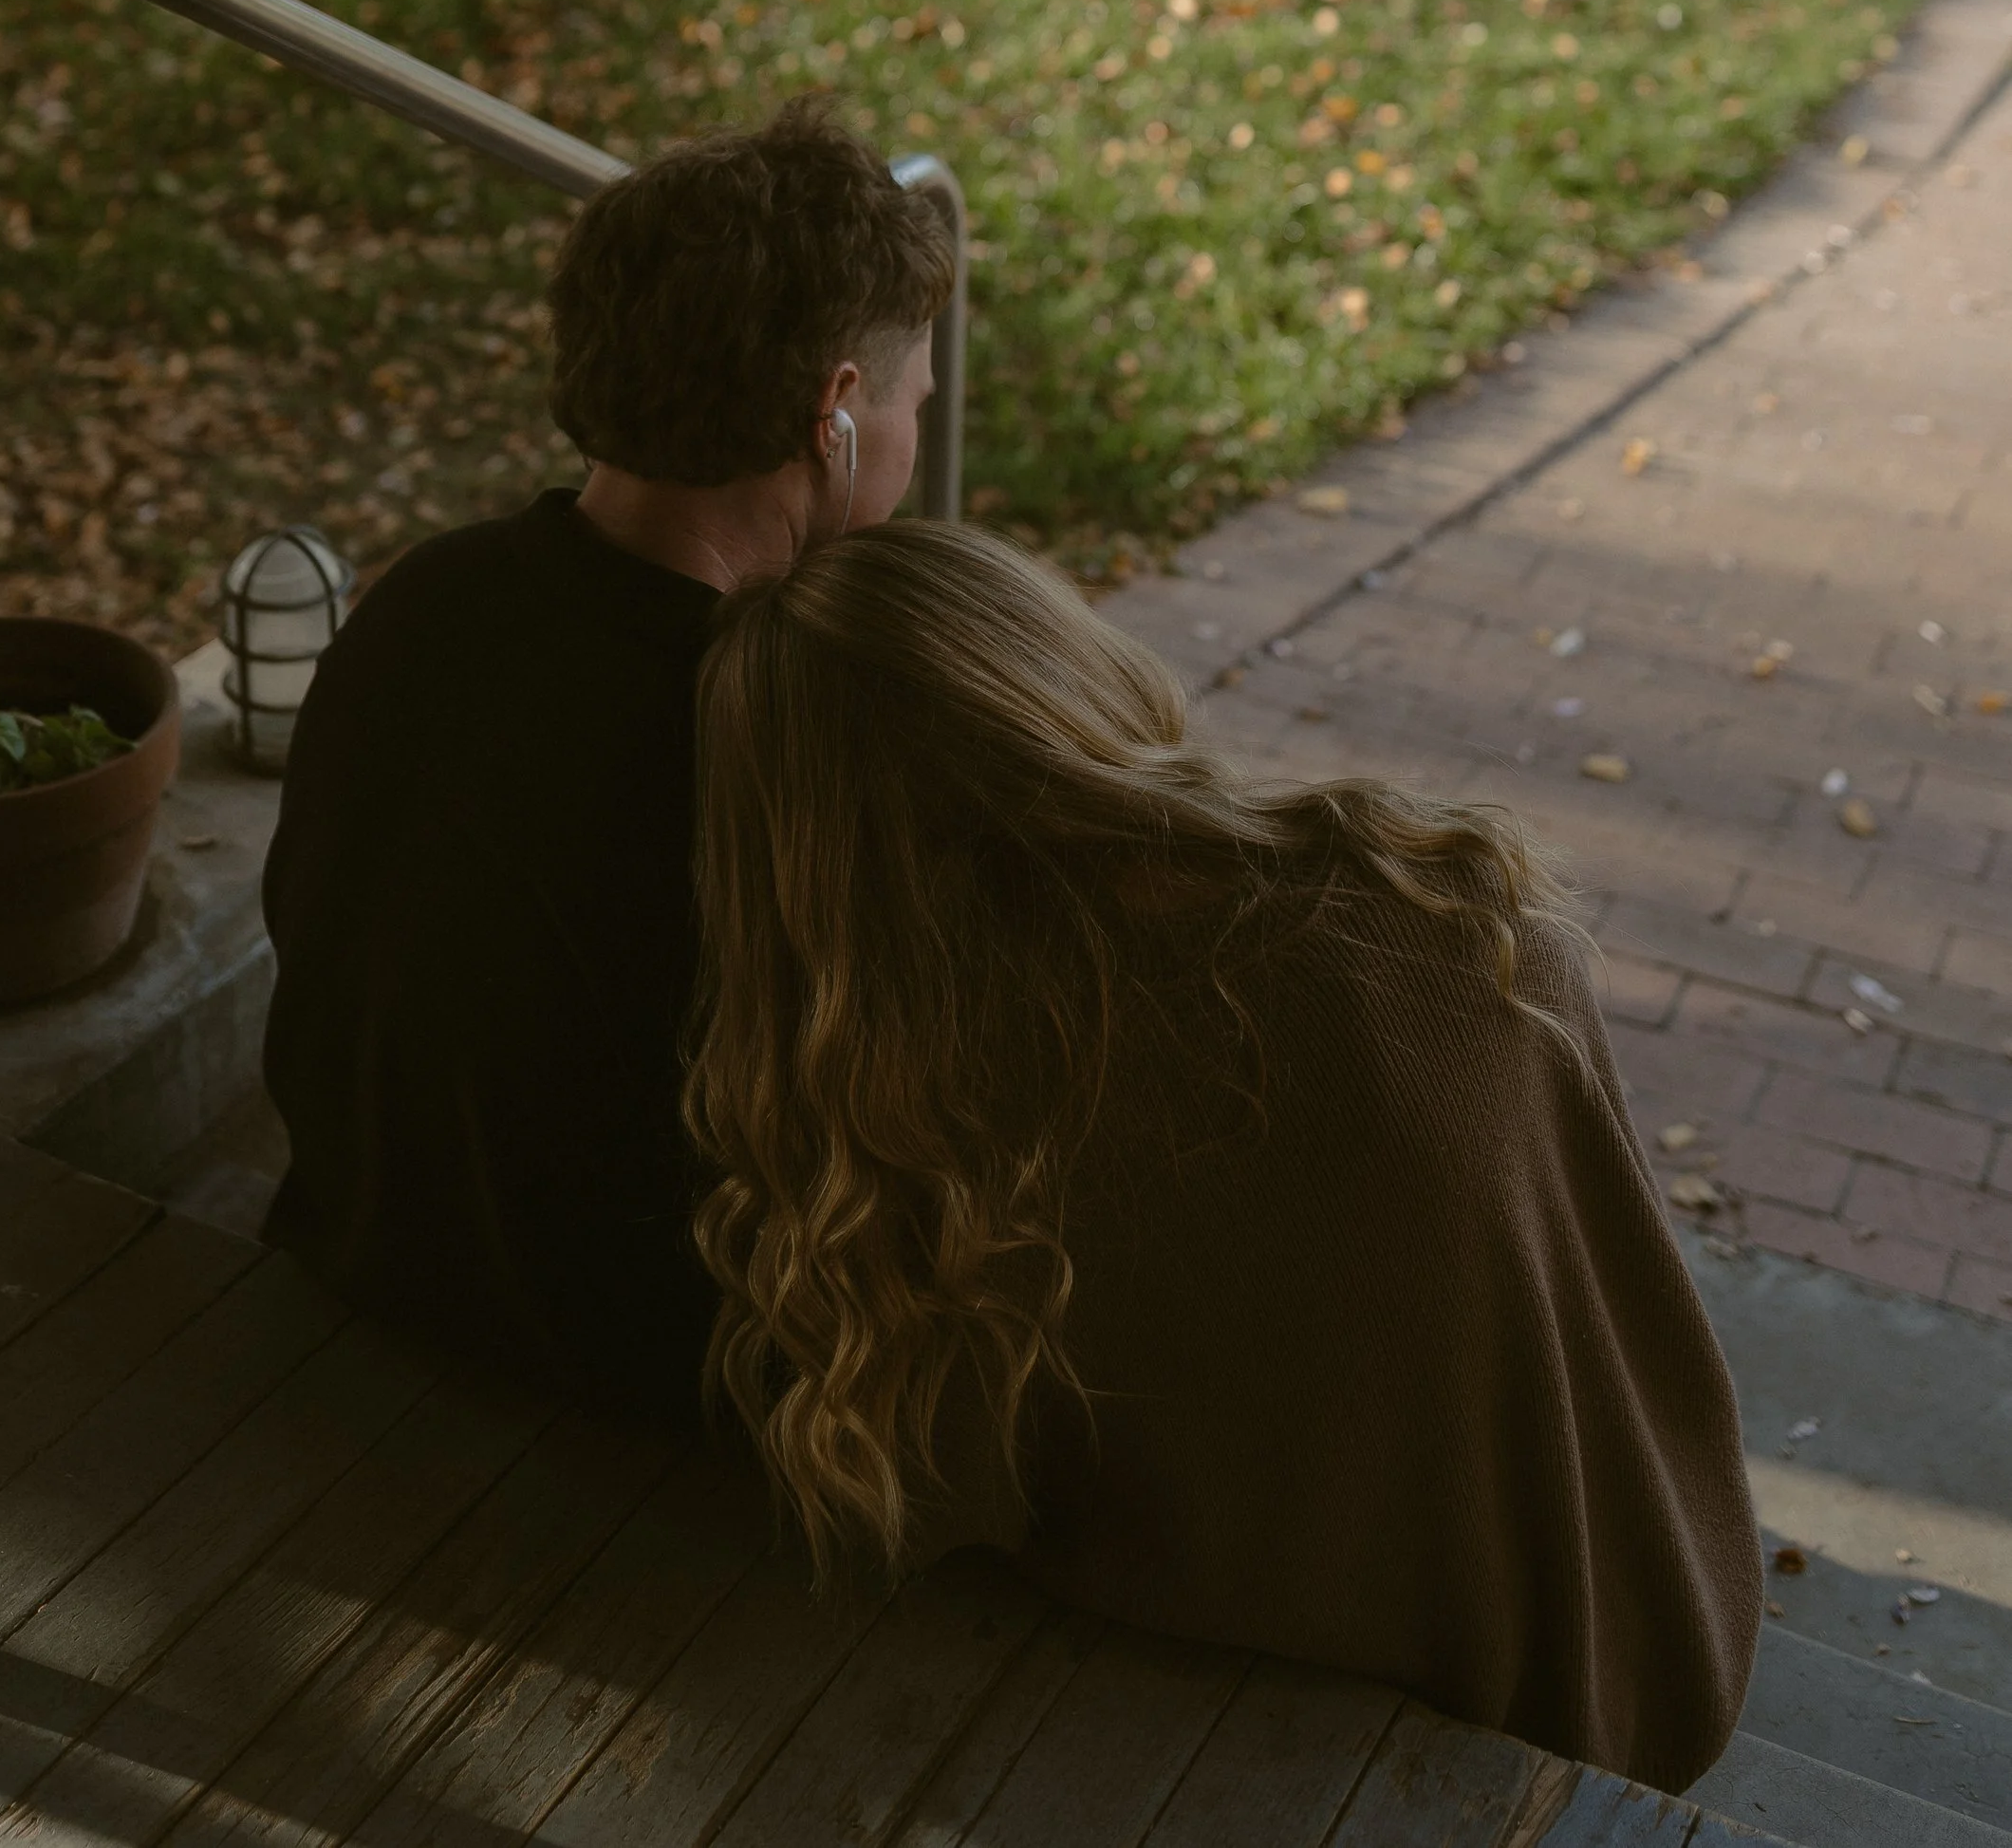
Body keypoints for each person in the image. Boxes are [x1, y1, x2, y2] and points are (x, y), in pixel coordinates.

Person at [684, 523, 1763, 1792]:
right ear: (1070, 673)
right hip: (1638, 1650)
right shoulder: (1459, 916)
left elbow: (945, 1507)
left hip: (1253, 1740)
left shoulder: (935, 1150)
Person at [258, 101, 952, 1423]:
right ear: (837, 410)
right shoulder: (785, 733)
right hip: (630, 1371)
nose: (920, 435)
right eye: (916, 398)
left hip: (370, 1247)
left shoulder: (424, 600)